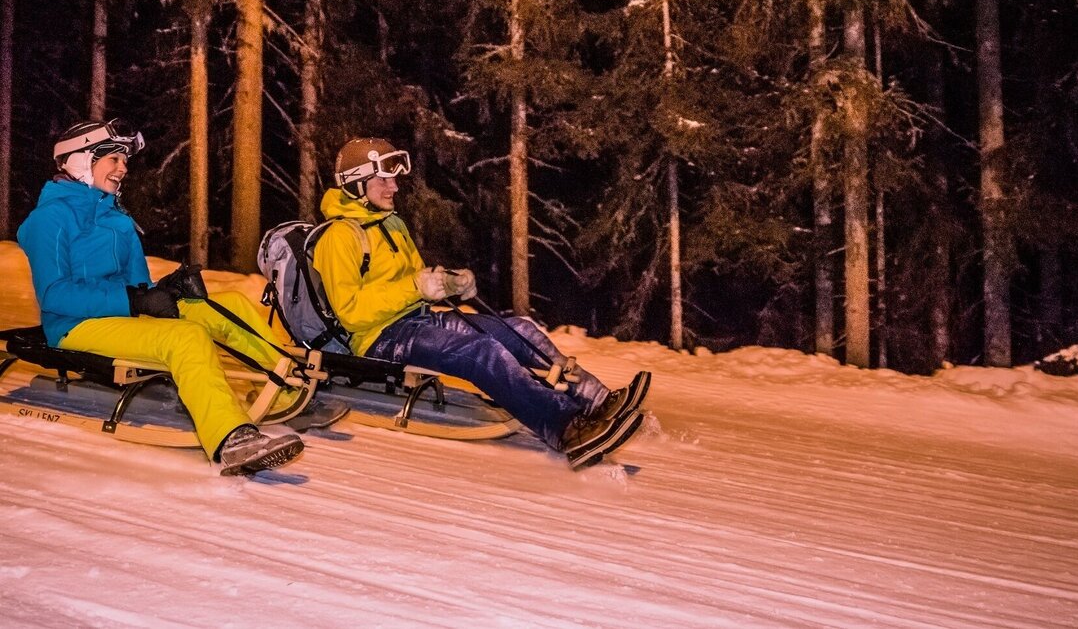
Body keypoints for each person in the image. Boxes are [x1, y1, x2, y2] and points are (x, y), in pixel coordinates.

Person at [313, 137, 650, 469]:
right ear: (356, 183)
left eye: (394, 179)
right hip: (379, 338)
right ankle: (565, 429)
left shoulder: (391, 223)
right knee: (480, 351)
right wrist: (415, 287)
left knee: (519, 330)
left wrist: (449, 283)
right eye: (384, 180)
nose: (395, 187)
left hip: (418, 319)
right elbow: (350, 313)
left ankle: (597, 400)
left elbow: (413, 280)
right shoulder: (339, 237)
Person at [16, 119, 329, 475]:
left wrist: (167, 290)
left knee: (230, 305)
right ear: (80, 160)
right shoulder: (49, 219)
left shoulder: (117, 219)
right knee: (185, 338)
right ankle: (231, 439)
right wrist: (134, 301)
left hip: (121, 315)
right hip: (75, 325)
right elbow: (54, 295)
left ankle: (288, 387)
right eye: (114, 159)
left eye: (125, 161)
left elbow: (138, 284)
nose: (123, 168)